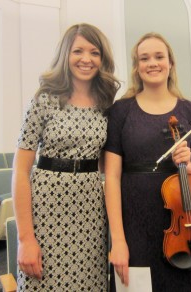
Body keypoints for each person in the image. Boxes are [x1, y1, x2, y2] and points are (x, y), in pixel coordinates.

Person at [12, 23, 120, 291]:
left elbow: (110, 166)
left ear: (102, 59)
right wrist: (25, 239)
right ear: (65, 55)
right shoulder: (44, 100)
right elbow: (20, 171)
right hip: (47, 208)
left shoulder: (106, 104)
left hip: (90, 212)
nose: (86, 59)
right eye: (78, 51)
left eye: (94, 52)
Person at [104, 32, 191, 292]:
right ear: (137, 67)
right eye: (144, 58)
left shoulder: (189, 110)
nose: (153, 63)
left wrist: (187, 162)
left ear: (170, 63)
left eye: (159, 56)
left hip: (182, 226)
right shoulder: (122, 110)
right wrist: (118, 240)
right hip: (135, 226)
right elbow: (112, 177)